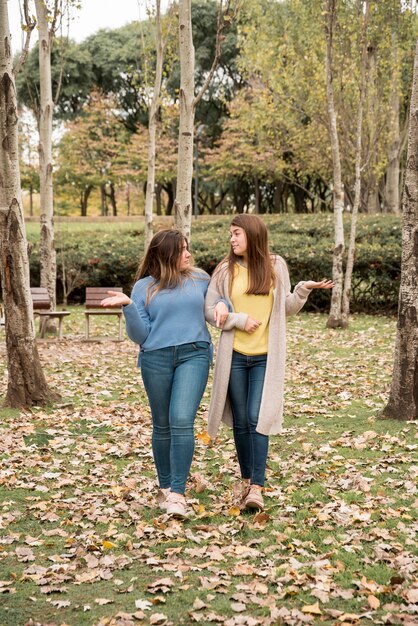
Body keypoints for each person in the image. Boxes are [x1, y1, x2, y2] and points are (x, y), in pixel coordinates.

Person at [205, 215, 333, 511]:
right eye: (231, 235)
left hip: (265, 357)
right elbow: (210, 311)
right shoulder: (225, 270)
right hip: (234, 356)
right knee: (239, 422)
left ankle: (257, 487)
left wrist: (303, 290)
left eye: (237, 234)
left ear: (252, 234)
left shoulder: (277, 266)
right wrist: (237, 319)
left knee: (256, 418)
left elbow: (285, 307)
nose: (232, 239)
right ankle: (247, 479)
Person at [101, 229, 212, 519]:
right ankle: (164, 488)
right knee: (162, 425)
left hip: (195, 353)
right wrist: (127, 307)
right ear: (166, 255)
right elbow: (141, 335)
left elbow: (217, 306)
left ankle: (177, 494)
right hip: (156, 359)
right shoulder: (143, 288)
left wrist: (224, 306)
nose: (188, 254)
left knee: (181, 419)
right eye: (182, 250)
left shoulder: (201, 279)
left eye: (188, 248)